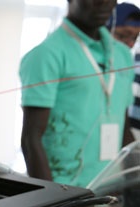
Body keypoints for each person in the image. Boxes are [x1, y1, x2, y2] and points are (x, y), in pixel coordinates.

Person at [20, 0, 135, 189]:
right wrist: (53, 200)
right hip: (66, 191)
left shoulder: (122, 54)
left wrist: (133, 185)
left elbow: (124, 128)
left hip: (111, 191)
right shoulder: (46, 55)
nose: (103, 3)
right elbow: (31, 139)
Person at [106, 2, 140, 138]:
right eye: (122, 36)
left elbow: (124, 108)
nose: (130, 44)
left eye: (135, 38)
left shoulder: (127, 61)